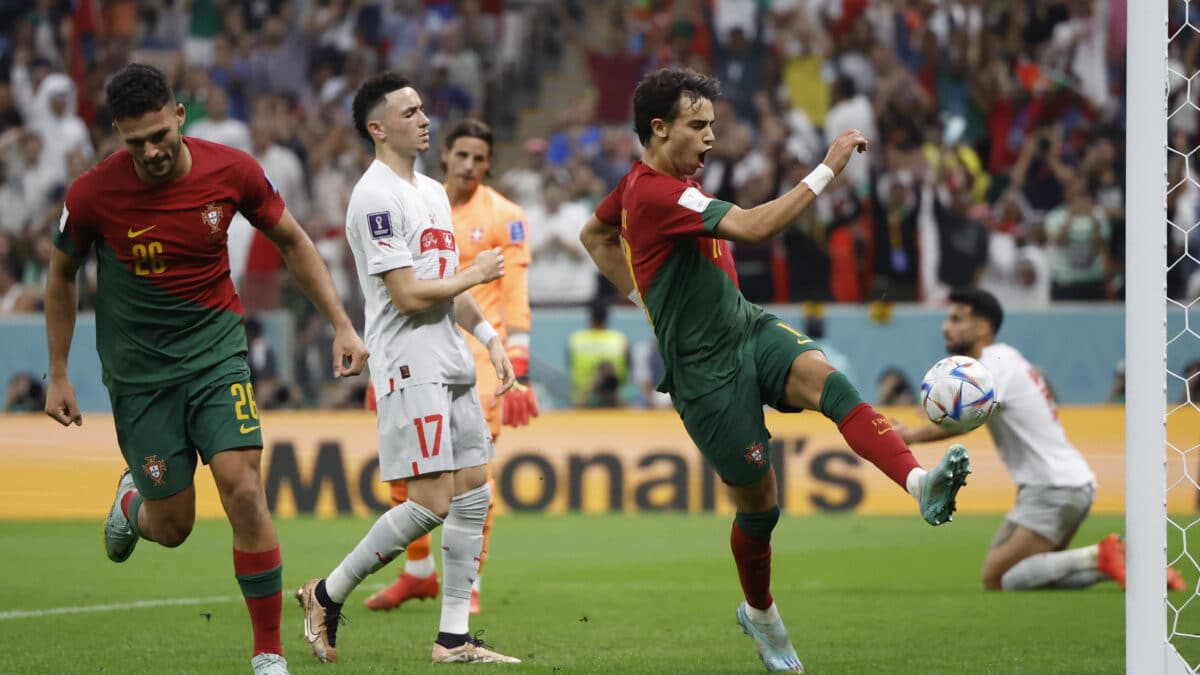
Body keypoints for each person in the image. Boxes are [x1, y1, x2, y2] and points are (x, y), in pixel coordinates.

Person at [578, 67, 971, 673]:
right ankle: (760, 614)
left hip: (746, 326)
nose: (711, 138)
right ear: (658, 130)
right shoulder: (656, 193)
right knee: (761, 509)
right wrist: (829, 167)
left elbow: (595, 233)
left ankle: (921, 486)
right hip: (704, 374)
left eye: (713, 125)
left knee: (833, 386)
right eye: (697, 126)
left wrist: (641, 295)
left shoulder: (640, 186)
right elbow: (756, 228)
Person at [43, 63, 369, 675]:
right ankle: (132, 506)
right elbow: (61, 275)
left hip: (217, 353)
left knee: (245, 489)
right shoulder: (92, 194)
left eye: (160, 134)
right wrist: (57, 372)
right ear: (118, 134)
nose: (152, 151)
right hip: (140, 376)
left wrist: (341, 324)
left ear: (179, 116)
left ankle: (268, 653)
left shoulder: (233, 171)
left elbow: (294, 241)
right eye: (136, 142)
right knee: (172, 528)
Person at [295, 72, 521, 665]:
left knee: (474, 494)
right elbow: (407, 294)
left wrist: (489, 334)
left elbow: (445, 285)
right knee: (429, 503)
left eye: (423, 110)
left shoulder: (429, 190)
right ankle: (326, 592)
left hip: (450, 356)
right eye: (411, 111)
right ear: (379, 127)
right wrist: (476, 275)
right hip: (407, 363)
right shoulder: (375, 197)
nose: (425, 119)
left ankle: (452, 640)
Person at [896, 288, 1185, 593]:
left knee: (996, 578)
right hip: (1066, 483)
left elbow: (969, 420)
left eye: (956, 318)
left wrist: (913, 435)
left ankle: (1101, 555)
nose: (946, 326)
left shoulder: (993, 366)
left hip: (1052, 488)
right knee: (1028, 576)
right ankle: (1136, 570)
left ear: (983, 327)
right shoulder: (1005, 359)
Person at [364, 118, 538, 615]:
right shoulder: (422, 205)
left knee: (473, 477)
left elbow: (515, 291)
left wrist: (518, 365)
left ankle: (470, 581)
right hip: (418, 348)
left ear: (489, 163)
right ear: (445, 154)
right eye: (461, 155)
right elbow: (392, 284)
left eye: (479, 158)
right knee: (406, 469)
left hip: (482, 359)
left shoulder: (507, 215)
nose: (469, 166)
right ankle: (418, 574)